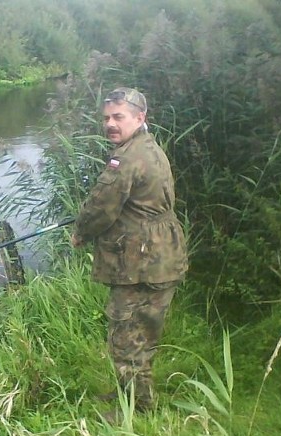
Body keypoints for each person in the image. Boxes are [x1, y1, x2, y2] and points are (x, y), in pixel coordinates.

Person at [71, 87, 188, 412]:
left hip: (141, 261)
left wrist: (80, 232)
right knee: (144, 333)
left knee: (126, 337)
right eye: (106, 117)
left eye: (118, 117)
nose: (110, 123)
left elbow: (101, 208)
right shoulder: (149, 148)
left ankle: (138, 409)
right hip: (162, 256)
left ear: (140, 117)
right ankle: (130, 394)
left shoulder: (125, 159)